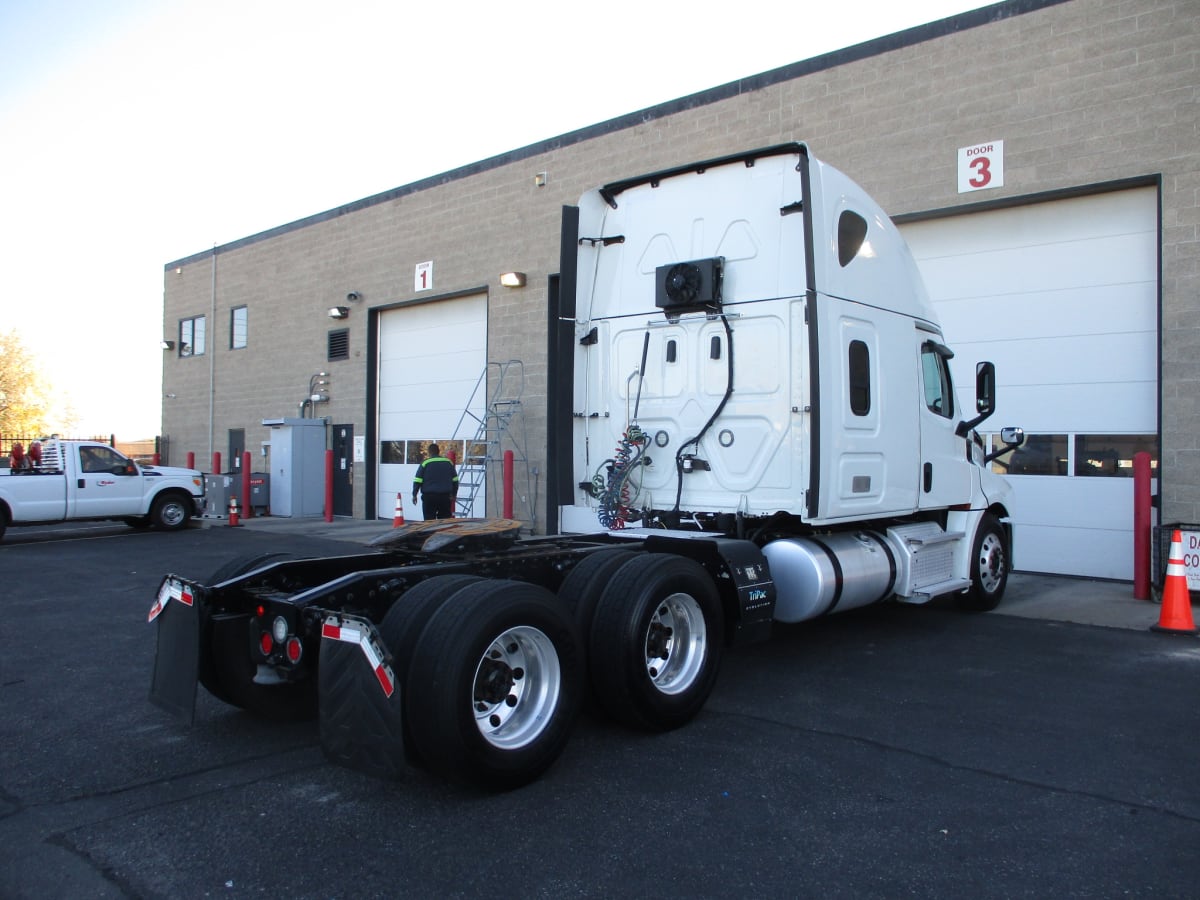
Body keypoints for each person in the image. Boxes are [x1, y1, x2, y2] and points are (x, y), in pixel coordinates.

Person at [412, 443, 458, 520]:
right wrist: (454, 494)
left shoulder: (425, 463)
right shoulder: (448, 462)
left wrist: (414, 494)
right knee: (444, 521)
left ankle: (430, 532)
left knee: (429, 522)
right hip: (445, 497)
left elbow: (418, 480)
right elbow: (455, 480)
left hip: (429, 497)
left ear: (429, 452)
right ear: (439, 451)